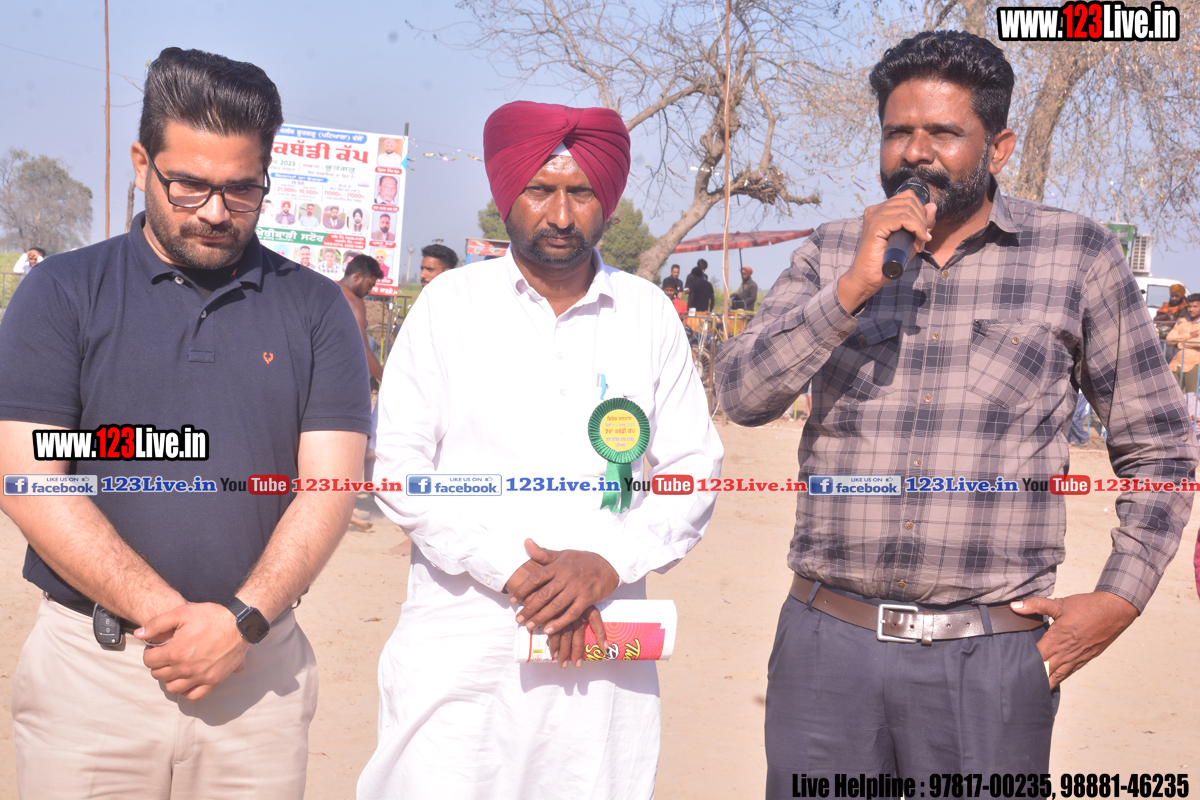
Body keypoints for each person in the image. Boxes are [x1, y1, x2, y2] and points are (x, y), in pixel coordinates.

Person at [714, 31, 1197, 787]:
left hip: (990, 660)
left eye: (942, 132)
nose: (915, 153)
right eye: (897, 132)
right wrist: (852, 290)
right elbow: (742, 397)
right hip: (828, 650)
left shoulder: (1076, 256)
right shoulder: (830, 253)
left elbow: (1161, 447)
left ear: (998, 147)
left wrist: (1119, 597)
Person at [0, 47, 372, 798]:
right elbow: (30, 478)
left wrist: (238, 622)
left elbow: (330, 487)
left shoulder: (316, 309)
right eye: (190, 185)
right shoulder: (62, 292)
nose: (214, 211)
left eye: (242, 189)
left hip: (256, 675)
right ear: (143, 163)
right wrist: (171, 619)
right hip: (93, 675)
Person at [357, 99, 723, 800]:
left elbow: (692, 471)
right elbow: (399, 469)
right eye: (539, 190)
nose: (560, 214)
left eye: (580, 192)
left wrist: (609, 562)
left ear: (606, 202)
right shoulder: (450, 306)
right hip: (463, 648)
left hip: (600, 650)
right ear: (507, 197)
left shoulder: (646, 314)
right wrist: (513, 570)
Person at [338, 254, 385, 386]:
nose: (370, 291)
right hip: (341, 378)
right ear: (357, 277)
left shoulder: (328, 291)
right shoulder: (354, 302)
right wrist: (385, 379)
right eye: (369, 285)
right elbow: (362, 349)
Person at [1166, 293, 1200, 414]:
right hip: (1176, 364)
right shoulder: (1182, 322)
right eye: (1189, 306)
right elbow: (1169, 339)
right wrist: (1188, 336)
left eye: (1195, 306)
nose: (1191, 309)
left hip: (1194, 363)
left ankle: (1191, 422)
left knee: (1192, 396)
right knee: (1172, 395)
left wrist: (1180, 343)